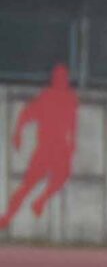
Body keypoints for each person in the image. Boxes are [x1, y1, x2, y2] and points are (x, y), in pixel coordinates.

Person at [2, 65, 80, 234]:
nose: (61, 81)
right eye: (58, 78)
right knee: (28, 184)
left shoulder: (69, 98)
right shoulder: (47, 96)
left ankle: (40, 201)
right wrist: (18, 133)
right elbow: (27, 114)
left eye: (63, 78)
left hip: (59, 146)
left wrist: (73, 141)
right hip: (46, 146)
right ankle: (8, 216)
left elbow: (73, 121)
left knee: (62, 176)